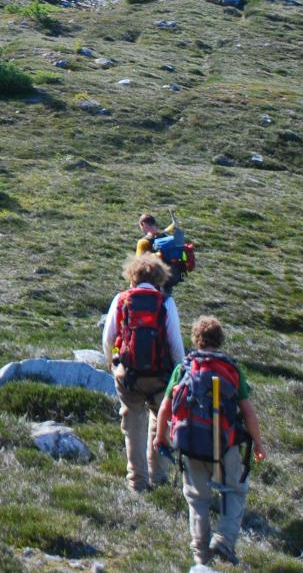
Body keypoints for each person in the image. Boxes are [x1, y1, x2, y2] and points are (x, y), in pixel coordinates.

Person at [155, 316, 267, 568]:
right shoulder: (232, 369)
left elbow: (165, 407)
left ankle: (201, 556)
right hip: (226, 445)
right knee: (236, 489)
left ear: (196, 339)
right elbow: (247, 412)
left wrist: (160, 436)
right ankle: (225, 540)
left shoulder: (183, 369)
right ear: (220, 339)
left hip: (191, 444)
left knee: (197, 498)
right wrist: (258, 444)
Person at [101, 253, 186, 492]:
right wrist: (178, 374)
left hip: (128, 375)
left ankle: (136, 482)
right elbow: (176, 345)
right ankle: (158, 476)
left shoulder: (121, 299)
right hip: (161, 377)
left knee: (132, 425)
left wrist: (112, 364)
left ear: (132, 276)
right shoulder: (166, 303)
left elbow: (108, 339)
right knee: (160, 421)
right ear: (160, 277)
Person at [136, 212, 186, 294]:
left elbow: (137, 267)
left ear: (143, 224)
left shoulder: (143, 242)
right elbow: (164, 232)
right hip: (167, 280)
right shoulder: (165, 237)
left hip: (150, 284)